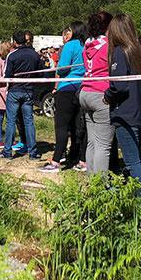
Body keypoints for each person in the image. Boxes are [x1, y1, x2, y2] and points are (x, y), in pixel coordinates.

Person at [103, 15, 141, 195]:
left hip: (125, 112)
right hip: (137, 110)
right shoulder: (137, 51)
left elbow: (119, 85)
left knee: (132, 161)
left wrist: (108, 95)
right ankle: (135, 195)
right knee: (135, 158)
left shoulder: (119, 53)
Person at [41, 22, 87, 173]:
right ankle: (77, 158)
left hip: (67, 88)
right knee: (77, 126)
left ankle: (55, 161)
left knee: (61, 126)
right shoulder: (85, 45)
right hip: (82, 88)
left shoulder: (70, 45)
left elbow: (62, 69)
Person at [79, 11, 114, 174]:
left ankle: (91, 179)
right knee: (103, 146)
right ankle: (100, 185)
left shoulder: (88, 43)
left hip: (86, 91)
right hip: (101, 94)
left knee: (92, 142)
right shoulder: (109, 44)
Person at [0, 31, 42, 160]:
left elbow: (8, 76)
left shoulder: (12, 56)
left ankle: (7, 152)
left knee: (10, 121)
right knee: (29, 122)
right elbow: (39, 74)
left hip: (14, 91)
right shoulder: (35, 55)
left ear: (15, 42)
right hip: (28, 91)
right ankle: (33, 153)